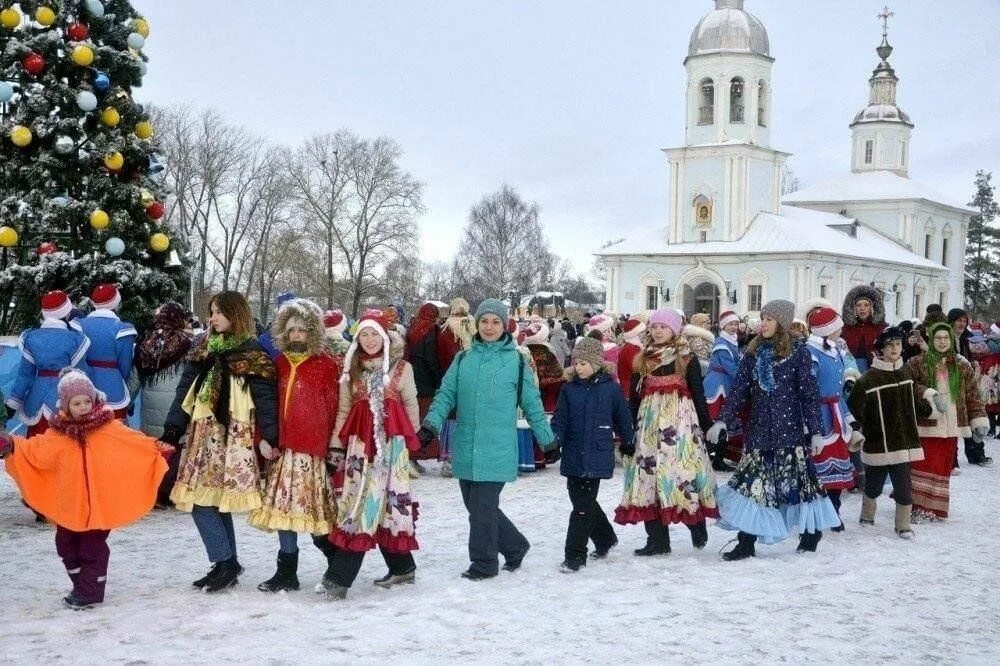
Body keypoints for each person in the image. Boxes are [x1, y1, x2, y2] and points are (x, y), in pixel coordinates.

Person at [0, 369, 170, 609]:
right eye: (76, 403)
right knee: (66, 547)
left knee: (92, 548)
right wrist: (12, 446)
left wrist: (156, 448)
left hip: (99, 506)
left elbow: (134, 442)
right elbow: (36, 450)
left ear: (95, 400)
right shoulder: (57, 434)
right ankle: (81, 584)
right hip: (70, 505)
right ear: (66, 406)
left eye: (87, 401)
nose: (83, 407)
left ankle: (91, 591)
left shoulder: (109, 428)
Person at [419, 298, 555, 580]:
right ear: (476, 324)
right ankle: (515, 546)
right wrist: (430, 425)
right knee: (478, 507)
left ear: (504, 326)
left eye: (495, 322)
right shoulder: (463, 358)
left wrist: (547, 439)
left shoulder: (516, 361)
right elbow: (446, 395)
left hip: (498, 447)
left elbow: (532, 402)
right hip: (467, 445)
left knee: (481, 510)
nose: (489, 327)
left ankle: (484, 564)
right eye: (484, 321)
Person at [159, 291, 279, 593]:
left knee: (205, 501)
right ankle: (227, 564)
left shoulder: (252, 353)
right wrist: (174, 428)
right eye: (211, 313)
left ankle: (225, 562)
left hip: (232, 437)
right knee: (209, 500)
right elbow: (185, 389)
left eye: (217, 313)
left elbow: (266, 399)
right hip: (203, 435)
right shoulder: (203, 348)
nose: (211, 319)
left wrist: (272, 435)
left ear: (235, 315)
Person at [707, 300, 840, 560]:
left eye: (769, 319)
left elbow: (809, 394)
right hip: (758, 432)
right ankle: (746, 542)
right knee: (752, 487)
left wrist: (815, 431)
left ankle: (811, 533)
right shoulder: (752, 353)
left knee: (799, 486)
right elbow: (739, 390)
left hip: (789, 433)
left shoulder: (798, 353)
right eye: (762, 318)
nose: (763, 323)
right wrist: (722, 420)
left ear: (782, 323)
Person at [322, 310, 421, 599]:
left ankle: (339, 579)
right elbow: (343, 410)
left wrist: (413, 443)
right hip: (359, 449)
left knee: (383, 504)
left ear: (384, 337)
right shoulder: (350, 371)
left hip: (391, 449)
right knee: (362, 502)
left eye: (374, 334)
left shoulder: (402, 369)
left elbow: (411, 404)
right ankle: (401, 567)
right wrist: (336, 447)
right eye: (363, 334)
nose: (369, 340)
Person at [249, 299, 341, 593]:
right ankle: (286, 571)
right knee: (284, 512)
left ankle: (337, 564)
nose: (296, 335)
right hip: (283, 450)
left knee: (314, 512)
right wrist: (263, 437)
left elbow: (334, 406)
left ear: (312, 331)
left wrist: (332, 447)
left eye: (302, 330)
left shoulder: (326, 365)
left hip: (313, 451)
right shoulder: (277, 364)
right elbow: (266, 405)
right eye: (291, 331)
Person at [615, 309, 718, 555]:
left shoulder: (686, 358)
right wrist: (628, 433)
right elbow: (634, 399)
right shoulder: (643, 359)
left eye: (663, 326)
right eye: (654, 326)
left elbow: (699, 394)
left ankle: (696, 522)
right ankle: (657, 540)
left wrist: (707, 427)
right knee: (648, 479)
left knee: (682, 476)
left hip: (681, 430)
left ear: (674, 329)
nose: (658, 330)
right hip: (649, 429)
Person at [551, 337, 635, 572]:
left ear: (597, 363)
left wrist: (628, 440)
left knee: (582, 507)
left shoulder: (611, 389)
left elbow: (623, 418)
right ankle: (606, 538)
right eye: (576, 363)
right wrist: (553, 441)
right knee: (581, 500)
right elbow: (560, 419)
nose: (579, 367)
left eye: (584, 363)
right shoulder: (568, 389)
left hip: (597, 452)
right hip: (573, 451)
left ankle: (575, 555)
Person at [849, 327, 936, 539]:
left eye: (898, 344)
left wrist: (931, 407)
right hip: (879, 443)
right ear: (881, 349)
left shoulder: (907, 372)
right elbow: (854, 407)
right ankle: (867, 515)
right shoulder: (868, 379)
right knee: (874, 485)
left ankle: (903, 525)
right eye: (890, 345)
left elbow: (915, 401)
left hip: (904, 442)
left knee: (904, 486)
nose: (895, 348)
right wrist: (858, 429)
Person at [905, 323, 988, 521]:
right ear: (931, 340)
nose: (942, 342)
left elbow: (972, 394)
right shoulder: (917, 363)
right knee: (923, 465)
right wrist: (928, 392)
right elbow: (909, 387)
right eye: (937, 338)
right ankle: (917, 505)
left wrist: (979, 420)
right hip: (927, 424)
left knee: (941, 468)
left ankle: (934, 508)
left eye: (946, 338)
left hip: (951, 426)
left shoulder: (962, 364)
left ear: (951, 340)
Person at [133, 300, 194, 506]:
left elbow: (135, 376)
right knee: (174, 447)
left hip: (151, 402)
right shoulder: (185, 343)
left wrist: (129, 400)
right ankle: (169, 491)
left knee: (154, 448)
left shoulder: (146, 343)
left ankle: (155, 490)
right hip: (176, 403)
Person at [804, 307, 860, 530]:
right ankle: (817, 514)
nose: (841, 331)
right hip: (818, 418)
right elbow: (806, 391)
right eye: (837, 328)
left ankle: (834, 512)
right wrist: (809, 425)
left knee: (838, 472)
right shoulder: (810, 353)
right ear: (827, 330)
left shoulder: (836, 352)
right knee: (818, 470)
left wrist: (849, 418)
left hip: (836, 416)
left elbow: (836, 392)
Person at [5, 291, 90, 437]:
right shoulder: (76, 340)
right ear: (66, 312)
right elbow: (81, 374)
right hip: (64, 399)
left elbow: (25, 374)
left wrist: (13, 402)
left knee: (36, 443)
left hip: (36, 398)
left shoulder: (31, 338)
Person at [76, 284, 137, 419]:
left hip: (82, 386)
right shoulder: (122, 329)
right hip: (113, 387)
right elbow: (125, 366)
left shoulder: (78, 325)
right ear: (116, 303)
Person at [435, 297, 476, 477]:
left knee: (451, 418)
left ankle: (450, 459)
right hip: (471, 380)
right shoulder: (473, 327)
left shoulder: (445, 330)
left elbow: (442, 357)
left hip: (450, 377)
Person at [406, 302, 444, 474]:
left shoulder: (413, 326)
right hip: (425, 381)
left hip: (411, 377)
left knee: (412, 418)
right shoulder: (430, 330)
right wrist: (439, 378)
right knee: (422, 419)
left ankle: (411, 455)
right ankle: (415, 454)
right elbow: (431, 357)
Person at [705, 310, 741, 471]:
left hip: (726, 383)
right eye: (730, 324)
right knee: (717, 419)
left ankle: (718, 457)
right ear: (723, 326)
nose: (734, 327)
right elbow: (729, 366)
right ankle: (709, 456)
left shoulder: (731, 341)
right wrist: (744, 375)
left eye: (736, 324)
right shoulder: (721, 343)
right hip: (718, 385)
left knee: (725, 420)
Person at [840, 286, 888, 373]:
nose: (862, 308)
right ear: (853, 308)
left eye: (866, 305)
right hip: (850, 369)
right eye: (858, 305)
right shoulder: (845, 328)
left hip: (876, 370)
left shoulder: (881, 327)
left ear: (872, 307)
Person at [617, 317, 646, 398]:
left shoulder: (632, 346)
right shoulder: (631, 348)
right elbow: (636, 368)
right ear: (635, 335)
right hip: (629, 387)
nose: (644, 334)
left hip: (629, 386)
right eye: (642, 332)